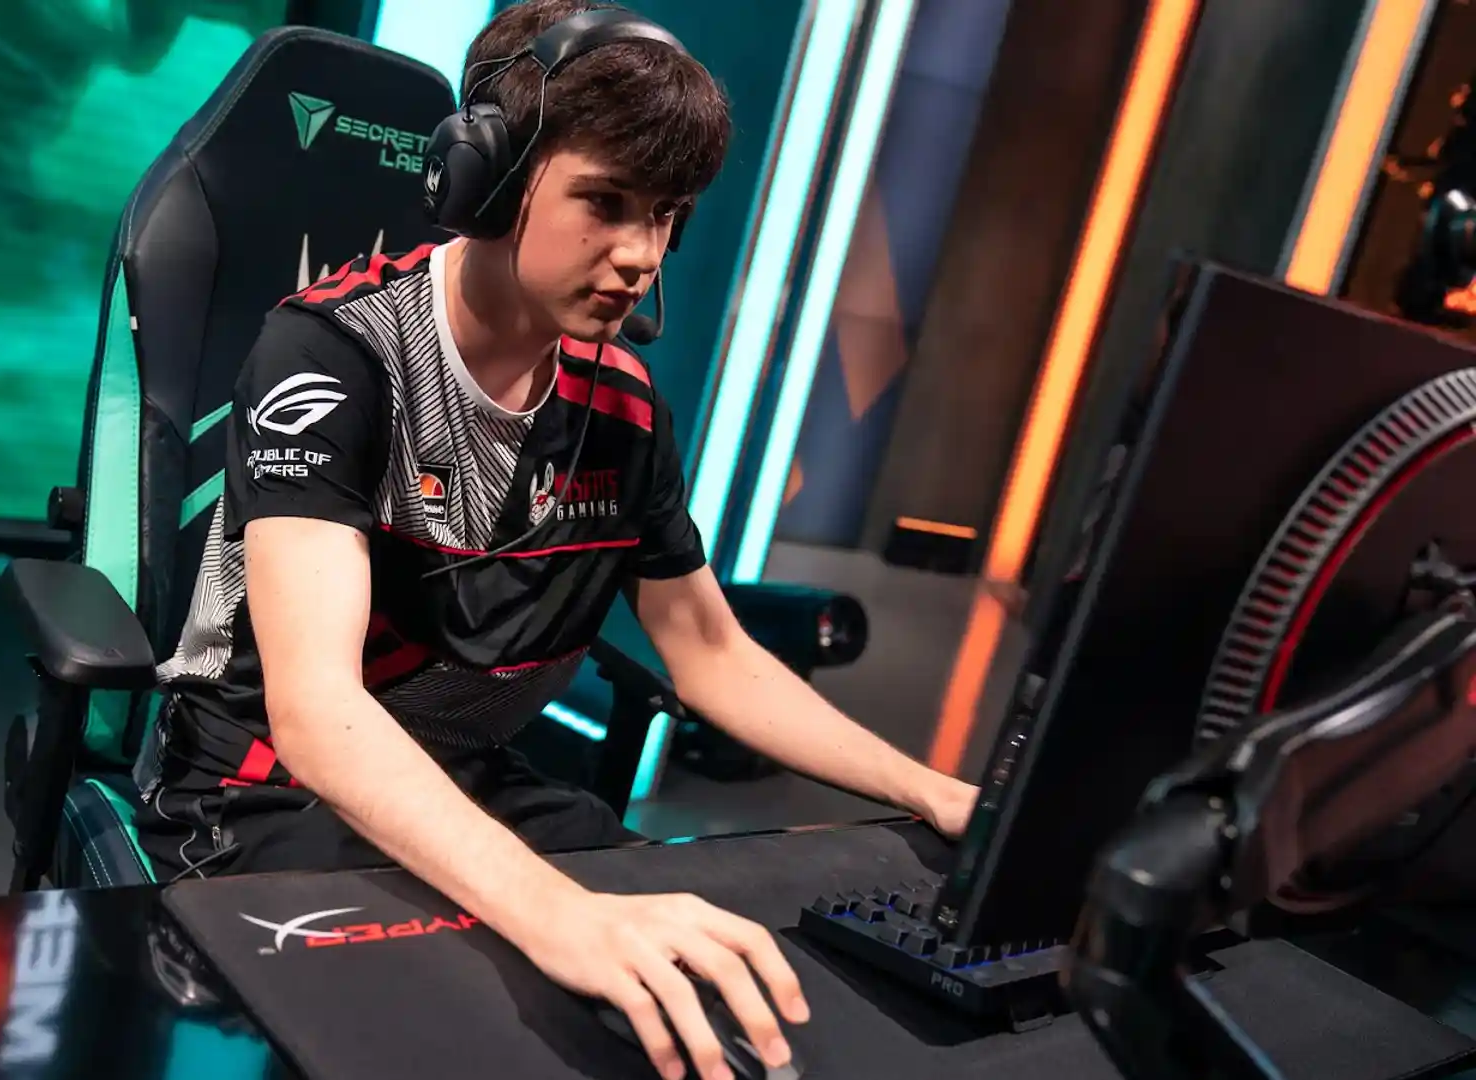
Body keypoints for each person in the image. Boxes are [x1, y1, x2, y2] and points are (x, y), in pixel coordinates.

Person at [133, 2, 981, 1076]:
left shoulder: (623, 406)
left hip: (467, 778)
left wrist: (934, 791)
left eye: (666, 216)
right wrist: (552, 911)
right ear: (486, 178)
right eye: (605, 203)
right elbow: (316, 712)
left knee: (703, 984)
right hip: (260, 796)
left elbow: (711, 654)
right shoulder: (334, 355)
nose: (640, 255)